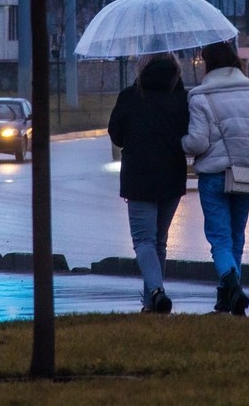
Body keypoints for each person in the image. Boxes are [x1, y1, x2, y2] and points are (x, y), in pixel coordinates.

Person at [182, 41, 249, 316]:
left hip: (214, 179)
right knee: (236, 237)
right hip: (245, 177)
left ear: (209, 65)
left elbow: (196, 143)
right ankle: (227, 297)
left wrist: (179, 142)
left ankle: (232, 288)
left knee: (219, 239)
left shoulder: (200, 98)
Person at [108, 51, 189, 314]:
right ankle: (150, 304)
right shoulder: (180, 98)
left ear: (142, 67)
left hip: (139, 177)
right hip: (172, 176)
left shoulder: (131, 96)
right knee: (159, 242)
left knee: (144, 241)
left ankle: (156, 291)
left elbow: (116, 135)